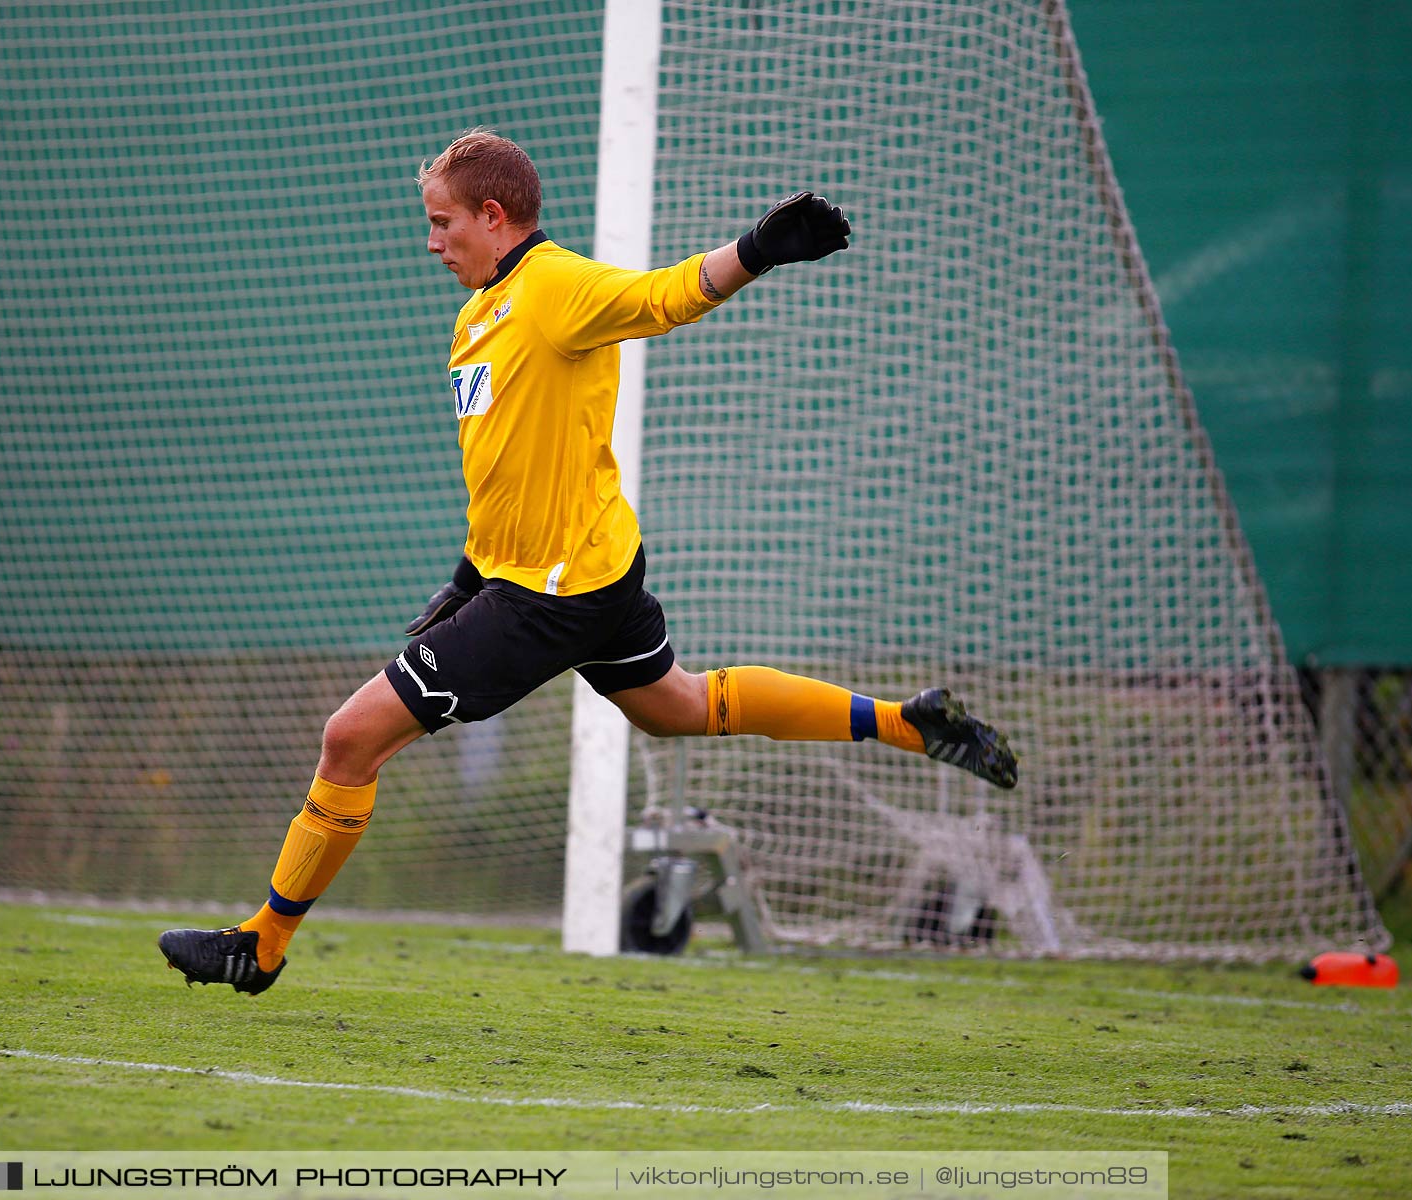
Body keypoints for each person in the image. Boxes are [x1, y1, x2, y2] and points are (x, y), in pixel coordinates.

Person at [159, 130, 1018, 995]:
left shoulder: (554, 285)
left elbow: (661, 297)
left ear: (493, 217)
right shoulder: (479, 314)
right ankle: (910, 724)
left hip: (551, 595)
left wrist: (760, 249)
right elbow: (514, 461)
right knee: (679, 706)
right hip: (583, 572)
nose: (432, 241)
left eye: (442, 222)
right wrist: (468, 576)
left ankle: (261, 944)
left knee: (349, 739)